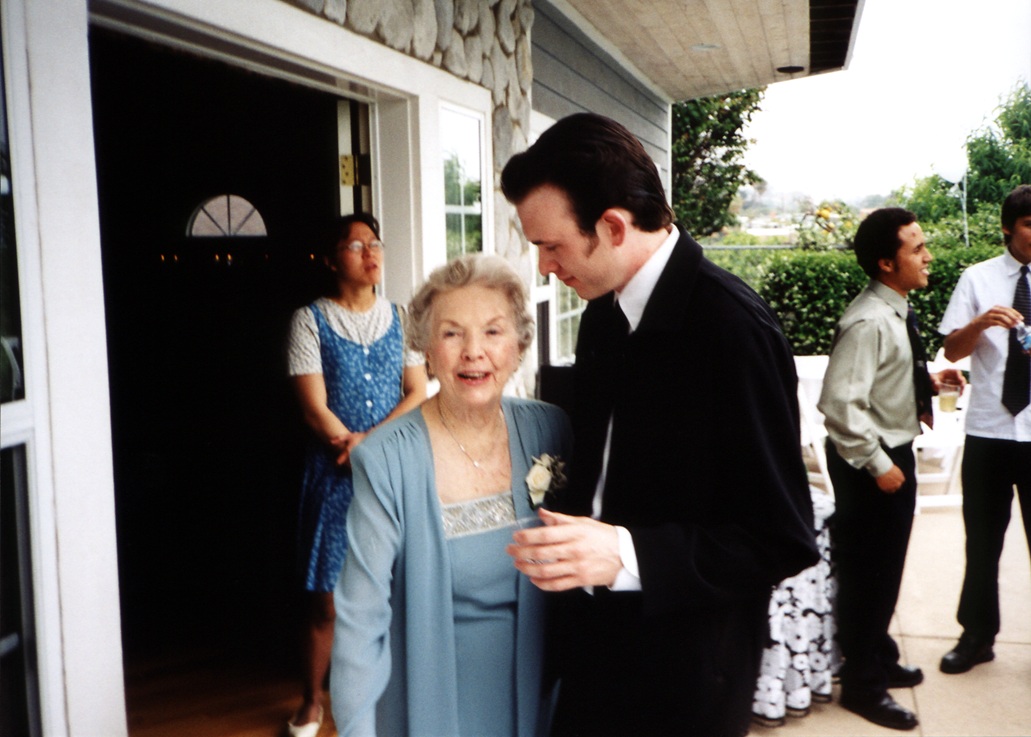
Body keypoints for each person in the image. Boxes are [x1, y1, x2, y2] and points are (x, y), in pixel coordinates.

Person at [501, 112, 820, 737]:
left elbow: (781, 536)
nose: (543, 267)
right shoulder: (602, 315)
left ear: (614, 226)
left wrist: (624, 552)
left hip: (686, 675)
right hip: (593, 652)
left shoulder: (732, 331)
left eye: (551, 245)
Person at [330, 254, 573, 737]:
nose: (473, 352)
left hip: (545, 704)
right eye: (452, 332)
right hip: (430, 707)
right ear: (425, 346)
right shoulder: (386, 460)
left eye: (492, 331)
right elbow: (360, 623)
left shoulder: (552, 430)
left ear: (520, 343)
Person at [817, 208, 965, 731]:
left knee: (882, 570)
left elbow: (883, 377)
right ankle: (863, 685)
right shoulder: (869, 320)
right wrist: (880, 464)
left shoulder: (895, 309)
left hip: (887, 452)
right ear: (886, 263)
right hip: (871, 461)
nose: (928, 256)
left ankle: (875, 655)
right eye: (916, 248)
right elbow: (839, 405)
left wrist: (929, 381)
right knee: (869, 577)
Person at [285, 213, 428, 737]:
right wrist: (346, 441)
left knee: (393, 588)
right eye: (354, 245)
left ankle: (386, 692)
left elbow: (416, 392)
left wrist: (370, 442)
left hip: (390, 471)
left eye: (375, 243)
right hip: (334, 473)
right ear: (330, 259)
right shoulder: (309, 320)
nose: (370, 253)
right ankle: (311, 701)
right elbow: (312, 407)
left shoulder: (403, 317)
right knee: (325, 597)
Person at [937, 184, 1031, 675]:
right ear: (1008, 229)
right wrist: (981, 324)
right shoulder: (978, 278)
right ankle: (976, 637)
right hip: (991, 432)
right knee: (982, 543)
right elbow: (953, 351)